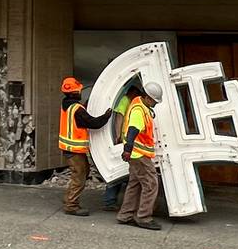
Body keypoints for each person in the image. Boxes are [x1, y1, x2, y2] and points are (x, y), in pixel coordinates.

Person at [57, 77, 117, 216]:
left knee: (83, 173)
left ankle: (68, 198)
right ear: (74, 93)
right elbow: (93, 123)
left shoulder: (66, 104)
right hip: (74, 149)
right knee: (80, 176)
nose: (80, 92)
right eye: (79, 90)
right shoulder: (77, 109)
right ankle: (71, 205)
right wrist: (106, 116)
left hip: (69, 148)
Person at [115, 80, 164, 229]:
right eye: (154, 101)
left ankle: (125, 215)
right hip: (139, 155)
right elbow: (132, 131)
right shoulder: (139, 110)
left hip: (137, 154)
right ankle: (143, 217)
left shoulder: (139, 103)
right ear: (148, 97)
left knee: (134, 184)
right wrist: (127, 149)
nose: (155, 104)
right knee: (151, 184)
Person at [102, 85, 134, 210]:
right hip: (123, 140)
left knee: (121, 171)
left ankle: (112, 200)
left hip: (125, 140)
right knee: (118, 170)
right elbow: (119, 117)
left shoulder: (129, 100)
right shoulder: (126, 100)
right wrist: (117, 136)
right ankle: (109, 201)